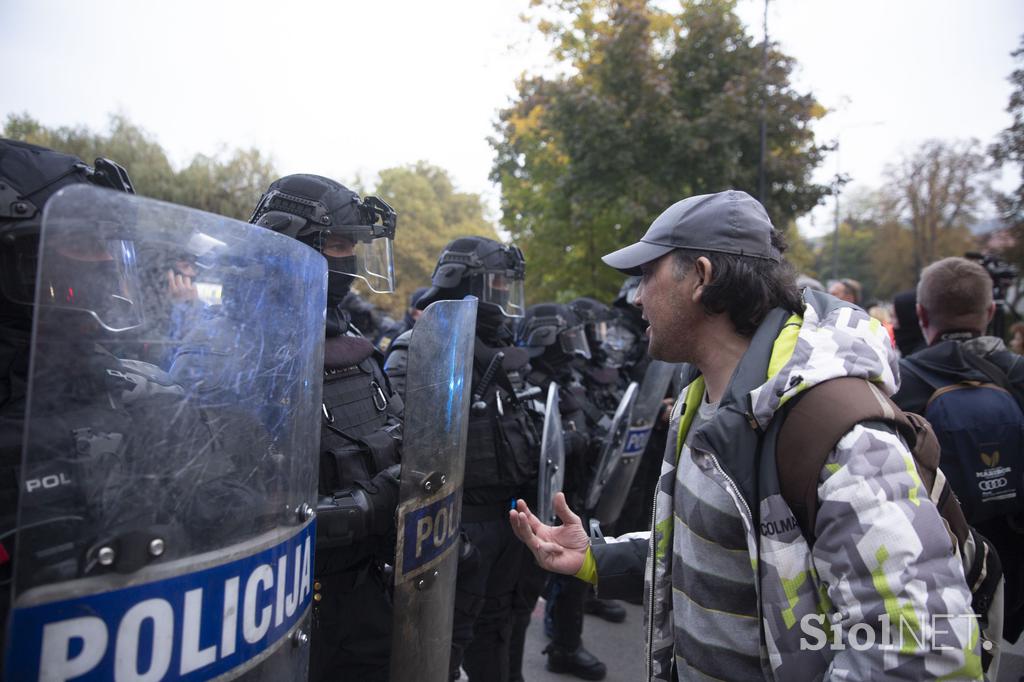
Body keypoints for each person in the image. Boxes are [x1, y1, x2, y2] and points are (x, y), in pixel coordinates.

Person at [510, 190, 981, 680]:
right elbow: (718, 551)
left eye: (649, 273)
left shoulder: (839, 435)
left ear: (702, 277)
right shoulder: (704, 401)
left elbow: (927, 652)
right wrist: (595, 559)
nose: (636, 295)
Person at [250, 174, 403, 682]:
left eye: (354, 246)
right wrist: (355, 510)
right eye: (339, 244)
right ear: (290, 244)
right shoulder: (238, 354)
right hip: (286, 609)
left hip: (368, 593)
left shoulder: (353, 344)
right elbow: (227, 509)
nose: (350, 262)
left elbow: (395, 426)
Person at [385, 236, 536, 682]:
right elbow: (399, 444)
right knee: (444, 639)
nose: (505, 294)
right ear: (463, 281)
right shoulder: (421, 346)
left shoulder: (506, 353)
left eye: (508, 284)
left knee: (502, 622)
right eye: (497, 282)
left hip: (509, 516)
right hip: (455, 519)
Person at [893, 256, 1024, 644]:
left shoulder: (900, 383)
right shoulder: (1017, 372)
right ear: (990, 311)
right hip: (1014, 553)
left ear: (920, 313)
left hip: (936, 558)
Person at [510, 303, 606, 681]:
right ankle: (558, 649)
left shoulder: (572, 380)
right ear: (547, 338)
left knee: (574, 579)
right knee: (521, 599)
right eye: (568, 338)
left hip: (576, 495)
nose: (576, 347)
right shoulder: (525, 381)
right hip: (538, 508)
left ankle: (567, 645)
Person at [377, 285, 428, 353]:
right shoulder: (398, 330)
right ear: (416, 310)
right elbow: (380, 355)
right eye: (426, 308)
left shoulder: (426, 333)